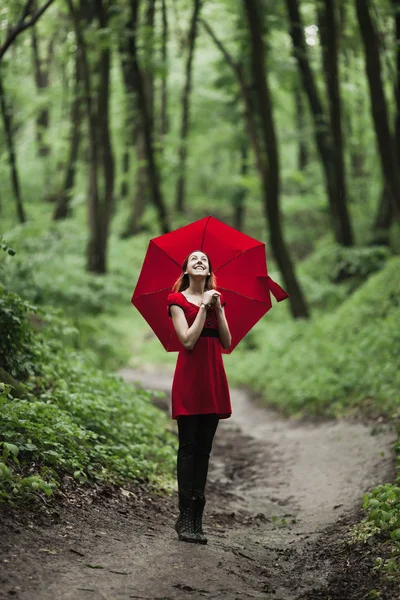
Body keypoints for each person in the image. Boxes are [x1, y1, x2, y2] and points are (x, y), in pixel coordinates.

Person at [167, 250, 232, 544]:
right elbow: (188, 340)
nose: (200, 260)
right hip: (189, 380)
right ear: (186, 270)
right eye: (193, 258)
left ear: (208, 271)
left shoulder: (217, 300)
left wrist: (217, 309)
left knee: (205, 450)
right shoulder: (177, 301)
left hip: (213, 378)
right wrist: (203, 307)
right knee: (189, 447)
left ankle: (197, 518)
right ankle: (185, 517)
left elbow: (227, 342)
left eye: (205, 259)